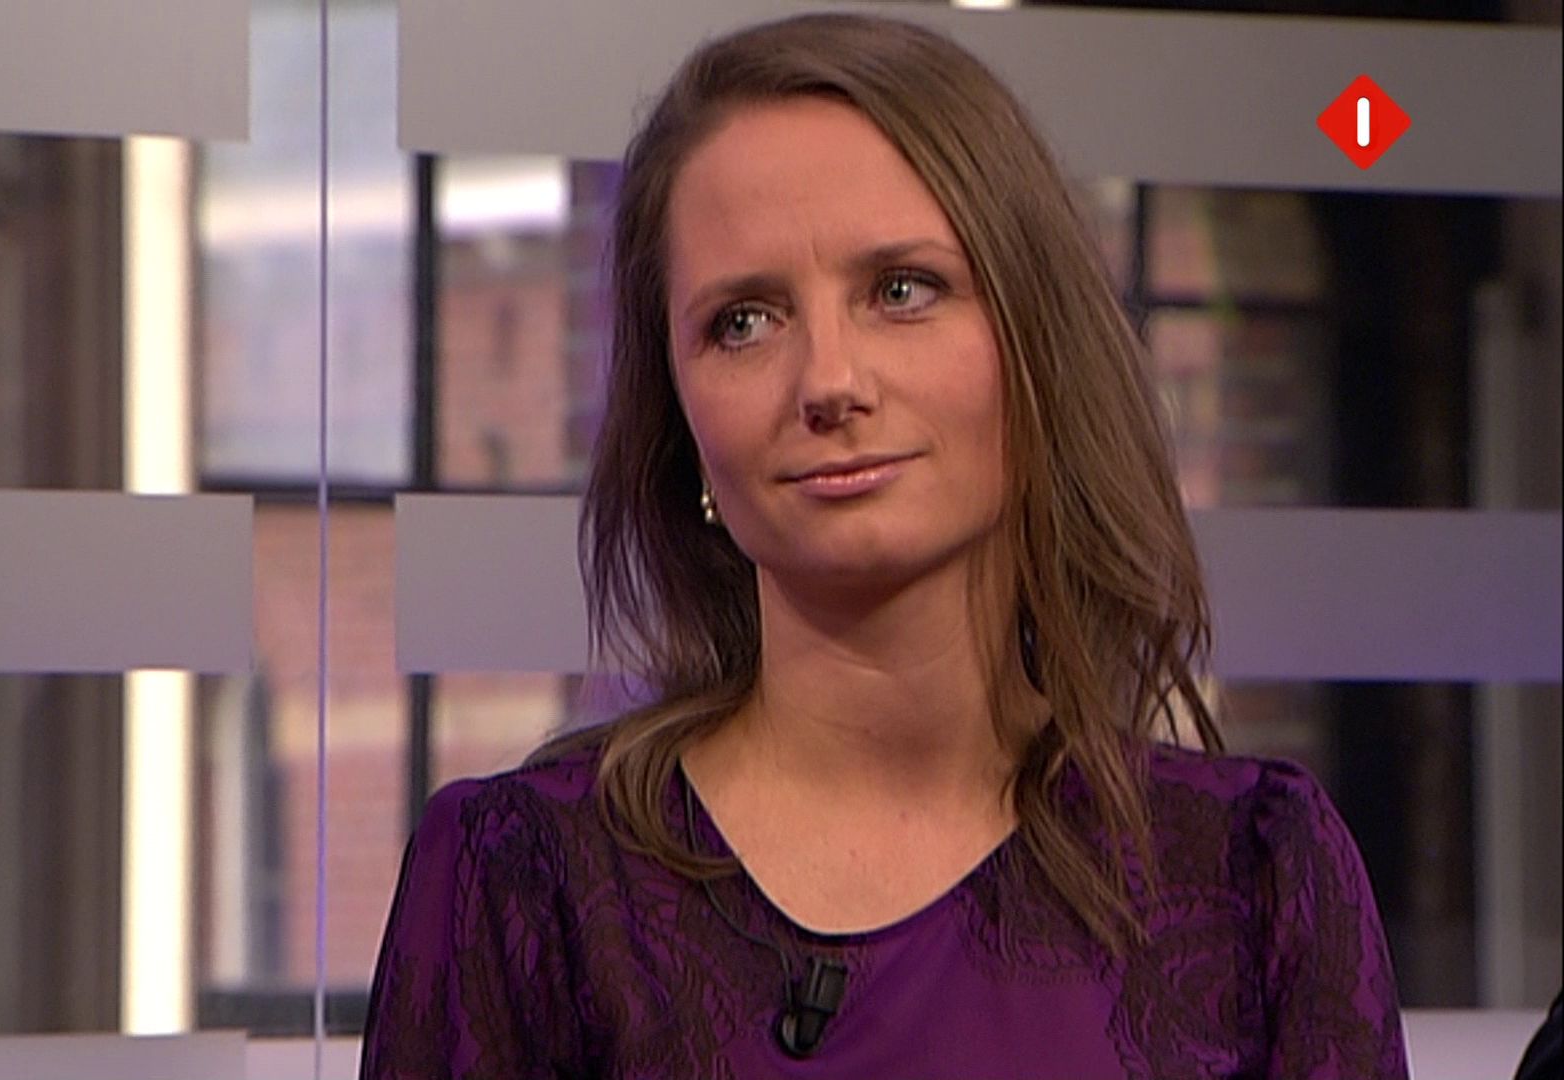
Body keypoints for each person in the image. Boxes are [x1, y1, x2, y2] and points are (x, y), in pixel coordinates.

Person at [361, 13, 1406, 1078]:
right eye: (743, 321)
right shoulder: (528, 886)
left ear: (1035, 348)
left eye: (902, 291)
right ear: (678, 420)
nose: (829, 382)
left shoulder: (1253, 878)